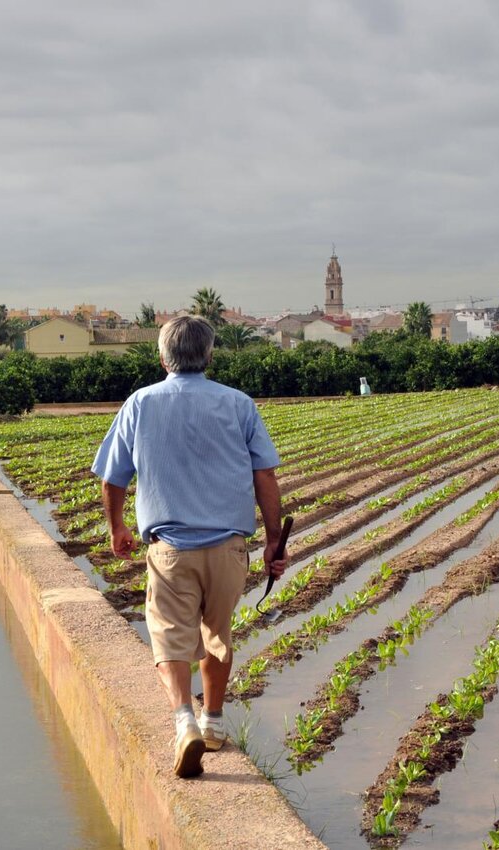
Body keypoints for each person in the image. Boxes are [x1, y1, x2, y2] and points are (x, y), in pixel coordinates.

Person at [91, 315, 287, 779]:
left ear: (163, 357)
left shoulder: (140, 404)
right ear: (210, 355)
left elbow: (113, 476)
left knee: (168, 638)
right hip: (228, 548)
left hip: (169, 548)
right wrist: (275, 539)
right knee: (218, 633)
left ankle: (184, 722)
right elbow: (265, 477)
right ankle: (213, 722)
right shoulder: (238, 405)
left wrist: (117, 526)